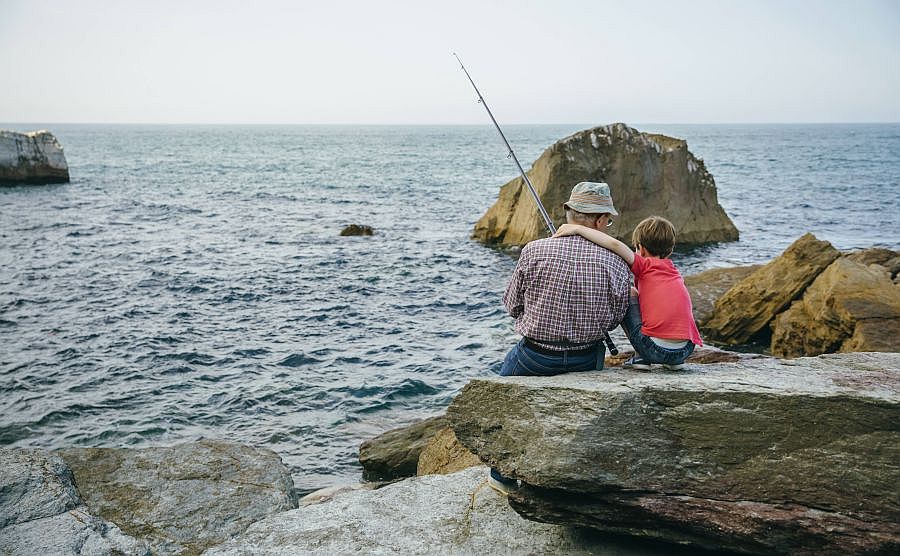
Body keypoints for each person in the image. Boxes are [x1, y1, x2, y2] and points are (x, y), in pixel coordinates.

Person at [490, 181, 631, 494]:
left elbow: (512, 305)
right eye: (607, 220)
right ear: (598, 221)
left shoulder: (534, 250)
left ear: (570, 213)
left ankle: (500, 477)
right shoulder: (617, 262)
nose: (607, 225)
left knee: (501, 405)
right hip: (586, 358)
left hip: (534, 357)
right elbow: (617, 315)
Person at [554, 215, 702, 372]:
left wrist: (577, 228)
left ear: (641, 248)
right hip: (685, 350)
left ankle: (642, 357)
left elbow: (614, 244)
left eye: (636, 249)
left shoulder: (645, 265)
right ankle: (673, 363)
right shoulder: (674, 272)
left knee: (629, 292)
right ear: (670, 250)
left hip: (653, 349)